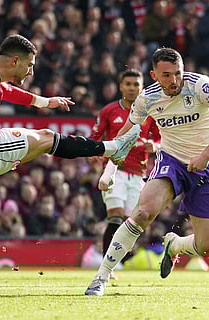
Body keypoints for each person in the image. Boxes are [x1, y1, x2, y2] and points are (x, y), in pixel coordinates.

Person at [0, 34, 140, 294]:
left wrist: (44, 102)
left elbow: (2, 90)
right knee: (47, 138)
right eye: (29, 64)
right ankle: (113, 147)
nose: (31, 70)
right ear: (15, 60)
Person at [85, 47, 209, 296]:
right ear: (154, 75)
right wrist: (110, 169)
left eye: (178, 73)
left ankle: (175, 245)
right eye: (167, 75)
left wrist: (205, 155)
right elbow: (125, 134)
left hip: (207, 165)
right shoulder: (147, 98)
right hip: (172, 161)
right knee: (143, 212)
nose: (174, 80)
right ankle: (100, 277)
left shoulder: (201, 85)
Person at [91, 69, 160, 277]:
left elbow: (161, 138)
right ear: (121, 86)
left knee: (134, 222)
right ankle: (107, 266)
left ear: (142, 88)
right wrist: (95, 155)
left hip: (138, 174)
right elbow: (96, 136)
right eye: (128, 84)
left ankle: (119, 260)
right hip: (116, 171)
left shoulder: (150, 114)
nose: (132, 88)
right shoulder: (109, 111)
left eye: (135, 84)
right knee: (114, 216)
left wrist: (154, 146)